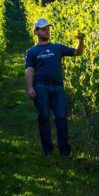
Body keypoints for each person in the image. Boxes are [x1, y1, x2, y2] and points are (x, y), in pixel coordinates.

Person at [24, 17, 84, 157]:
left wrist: (80, 41)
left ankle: (65, 151)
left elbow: (77, 52)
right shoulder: (32, 52)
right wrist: (30, 88)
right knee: (44, 118)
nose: (46, 31)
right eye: (43, 29)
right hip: (41, 87)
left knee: (61, 117)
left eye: (48, 28)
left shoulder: (57, 47)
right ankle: (47, 151)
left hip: (57, 87)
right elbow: (29, 70)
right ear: (36, 31)